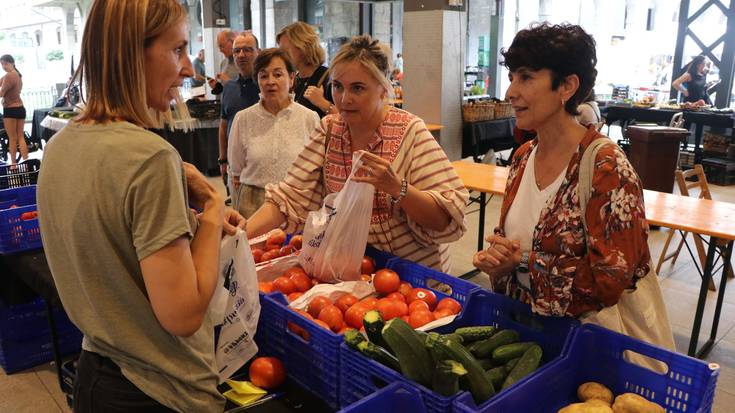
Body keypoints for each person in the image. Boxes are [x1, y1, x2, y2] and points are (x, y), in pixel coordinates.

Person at [36, 1, 245, 411]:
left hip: (98, 371)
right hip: (160, 389)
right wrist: (214, 208)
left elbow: (114, 256)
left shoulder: (62, 145)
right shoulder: (148, 158)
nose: (187, 68)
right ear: (133, 52)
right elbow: (182, 315)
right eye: (177, 50)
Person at [472, 23, 668, 328]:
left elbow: (611, 280)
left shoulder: (607, 167)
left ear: (567, 86)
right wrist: (498, 259)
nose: (510, 92)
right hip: (525, 336)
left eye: (526, 77)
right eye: (511, 78)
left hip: (587, 348)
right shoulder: (523, 157)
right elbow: (517, 242)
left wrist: (522, 262)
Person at [246, 35, 468, 271]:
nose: (344, 99)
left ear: (383, 89)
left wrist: (397, 187)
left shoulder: (410, 132)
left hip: (413, 278)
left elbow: (443, 219)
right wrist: (238, 234)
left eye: (358, 88)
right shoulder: (330, 130)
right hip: (357, 270)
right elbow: (287, 198)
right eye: (338, 87)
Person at [228, 48, 319, 218]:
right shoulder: (243, 118)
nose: (270, 81)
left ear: (291, 78)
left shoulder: (309, 118)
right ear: (257, 80)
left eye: (278, 75)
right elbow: (236, 171)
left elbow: (316, 169)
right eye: (263, 76)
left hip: (297, 203)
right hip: (252, 204)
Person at [218, 32, 260, 193]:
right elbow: (223, 126)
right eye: (237, 51)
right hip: (234, 167)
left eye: (248, 50)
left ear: (258, 52)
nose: (241, 55)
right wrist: (222, 160)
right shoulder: (228, 87)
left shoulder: (266, 87)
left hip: (258, 168)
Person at [276, 21, 336, 118]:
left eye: (285, 51)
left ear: (303, 48)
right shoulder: (292, 80)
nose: (282, 57)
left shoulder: (329, 78)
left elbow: (347, 120)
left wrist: (322, 103)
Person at [0, 54, 28, 164]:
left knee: (12, 138)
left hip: (11, 110)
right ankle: (26, 162)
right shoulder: (17, 75)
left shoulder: (9, 76)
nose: (3, 66)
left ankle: (13, 165)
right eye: (2, 64)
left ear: (12, 63)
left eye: (6, 64)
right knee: (20, 137)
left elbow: (1, 93)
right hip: (20, 109)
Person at [208, 29, 240, 95]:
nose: (220, 50)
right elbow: (225, 90)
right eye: (219, 47)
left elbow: (247, 91)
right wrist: (217, 86)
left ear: (232, 42)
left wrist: (229, 82)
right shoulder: (223, 63)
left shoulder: (243, 63)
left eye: (222, 46)